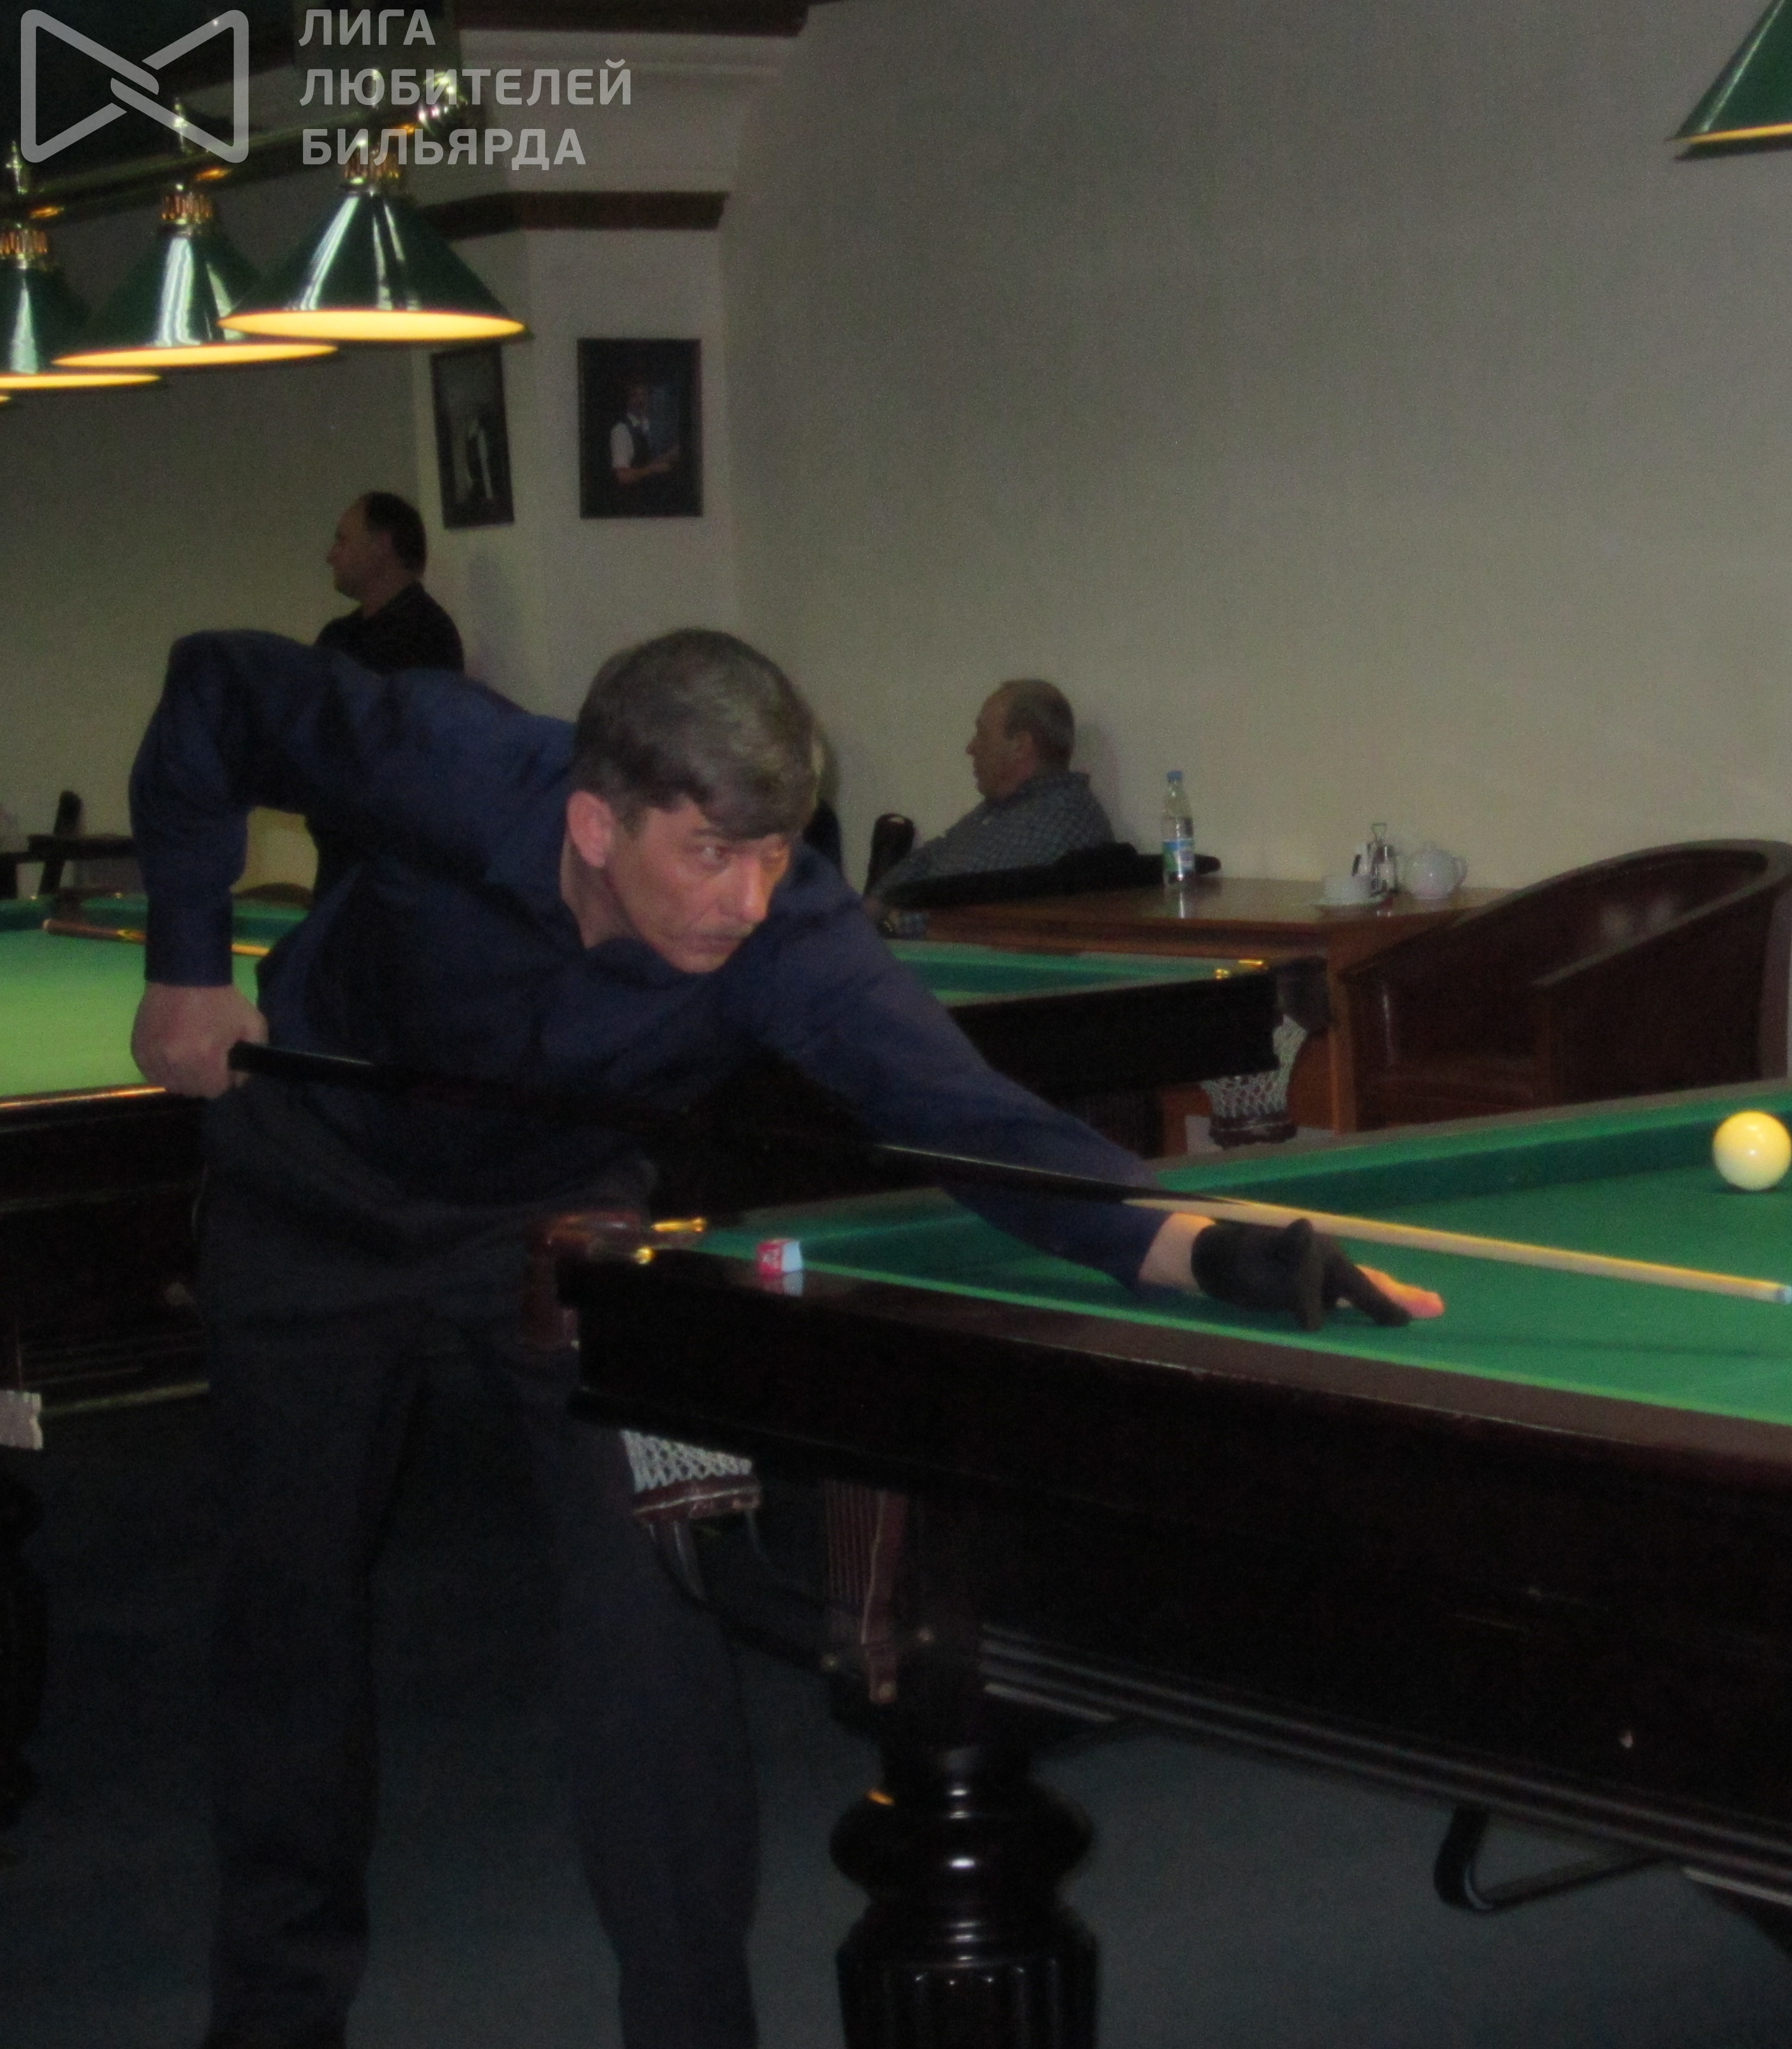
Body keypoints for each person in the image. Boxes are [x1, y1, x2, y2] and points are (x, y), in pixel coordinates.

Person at [125, 626, 1441, 2049]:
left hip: (565, 1222)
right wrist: (185, 960)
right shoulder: (443, 760)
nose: (747, 900)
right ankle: (272, 2020)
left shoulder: (788, 933)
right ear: (596, 824)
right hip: (313, 1184)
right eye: (711, 856)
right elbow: (213, 690)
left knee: (653, 1601)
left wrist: (1223, 1253)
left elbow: (975, 1126)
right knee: (290, 1609)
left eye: (773, 854)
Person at [871, 677, 1117, 897]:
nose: (971, 748)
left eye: (982, 734)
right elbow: (927, 859)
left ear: (1020, 746)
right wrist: (874, 906)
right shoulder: (998, 808)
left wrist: (891, 921)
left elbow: (979, 912)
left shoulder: (1061, 823)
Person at [314, 491, 463, 676]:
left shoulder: (427, 636)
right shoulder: (338, 635)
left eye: (343, 541)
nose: (331, 556)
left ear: (380, 545)